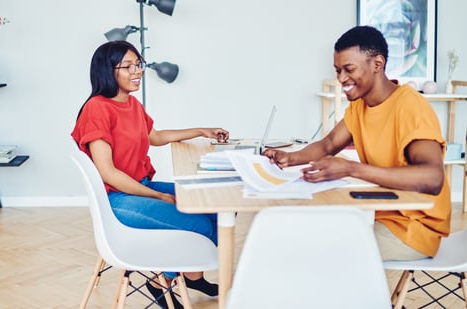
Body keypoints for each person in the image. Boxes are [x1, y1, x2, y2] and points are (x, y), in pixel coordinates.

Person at [262, 25, 451, 261]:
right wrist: (290, 158)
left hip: (414, 228)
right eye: (338, 70)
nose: (341, 78)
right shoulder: (360, 107)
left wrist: (351, 168)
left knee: (320, 253)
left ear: (377, 64)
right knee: (302, 233)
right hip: (379, 215)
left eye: (348, 69)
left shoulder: (411, 107)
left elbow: (432, 179)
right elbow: (329, 144)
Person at [71, 40, 227, 308]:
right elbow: (108, 173)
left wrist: (202, 130)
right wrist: (157, 195)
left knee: (220, 205)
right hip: (118, 200)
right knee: (199, 226)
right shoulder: (97, 109)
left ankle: (191, 275)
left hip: (139, 186)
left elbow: (155, 136)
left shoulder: (131, 103)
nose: (137, 71)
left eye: (138, 64)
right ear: (108, 71)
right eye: (128, 66)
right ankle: (160, 284)